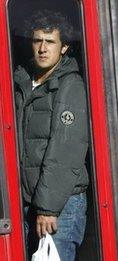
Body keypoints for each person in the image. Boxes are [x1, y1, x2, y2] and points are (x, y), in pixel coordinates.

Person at [14, 10, 89, 261]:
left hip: (60, 207)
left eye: (50, 42)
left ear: (64, 47)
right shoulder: (22, 82)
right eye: (37, 41)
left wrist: (48, 208)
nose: (43, 48)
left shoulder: (70, 85)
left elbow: (65, 151)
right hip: (29, 203)